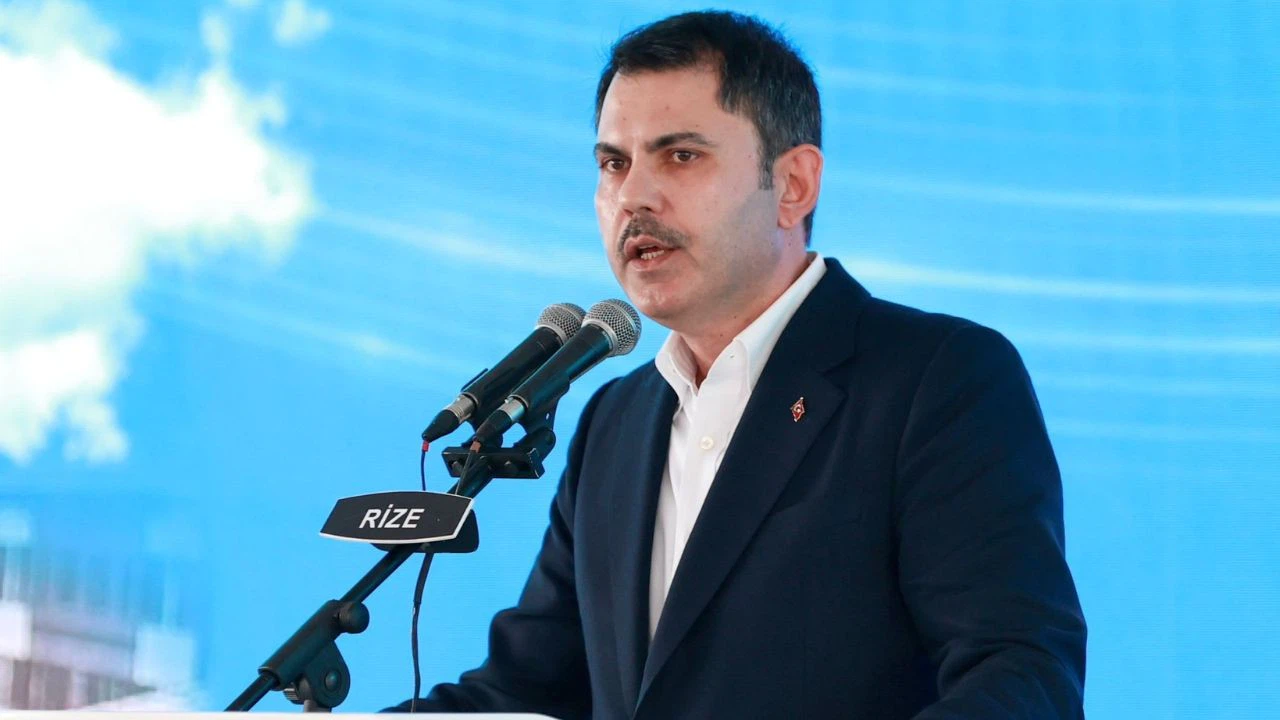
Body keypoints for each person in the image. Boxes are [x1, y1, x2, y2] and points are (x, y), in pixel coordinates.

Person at [390, 10, 1086, 718]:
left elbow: (1019, 676)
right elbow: (523, 691)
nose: (633, 196)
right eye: (614, 163)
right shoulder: (615, 421)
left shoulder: (937, 380)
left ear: (793, 186)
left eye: (680, 156)